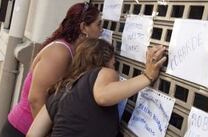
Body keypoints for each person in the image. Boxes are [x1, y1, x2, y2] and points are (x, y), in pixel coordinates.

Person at [0, 2, 103, 137]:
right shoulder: (59, 52)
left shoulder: (74, 51)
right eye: (98, 24)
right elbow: (36, 100)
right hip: (22, 130)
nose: (102, 30)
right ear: (84, 27)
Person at [26, 38, 166, 137]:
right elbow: (103, 96)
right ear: (103, 60)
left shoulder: (59, 92)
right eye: (113, 63)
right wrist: (147, 76)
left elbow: (32, 134)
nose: (114, 69)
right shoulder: (102, 72)